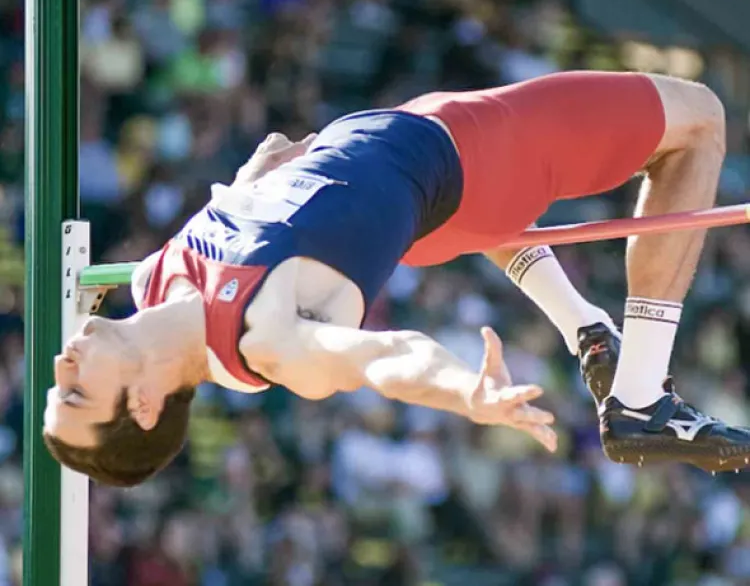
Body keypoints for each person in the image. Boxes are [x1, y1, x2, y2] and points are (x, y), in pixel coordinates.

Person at [44, 71, 750, 488]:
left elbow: (264, 207)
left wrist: (260, 174)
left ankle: (585, 326)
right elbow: (387, 358)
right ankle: (639, 395)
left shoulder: (160, 281)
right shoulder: (268, 340)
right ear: (141, 404)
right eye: (76, 394)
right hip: (473, 158)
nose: (61, 362)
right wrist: (463, 392)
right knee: (698, 120)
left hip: (422, 183)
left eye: (55, 386)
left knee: (465, 209)